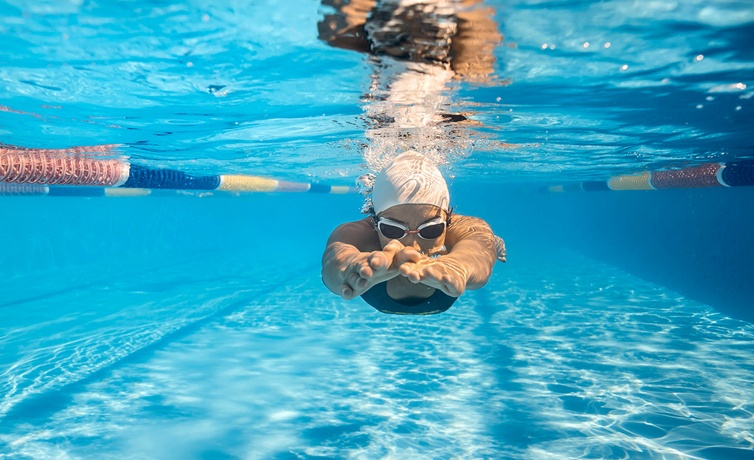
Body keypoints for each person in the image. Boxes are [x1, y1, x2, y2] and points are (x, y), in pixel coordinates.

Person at [321, 150, 506, 314]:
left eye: (431, 229)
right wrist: (353, 267)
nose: (412, 246)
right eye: (393, 229)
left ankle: (497, 243)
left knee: (489, 241)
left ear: (447, 220)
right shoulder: (360, 232)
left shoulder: (460, 227)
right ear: (375, 222)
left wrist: (458, 267)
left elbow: (477, 249)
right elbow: (334, 260)